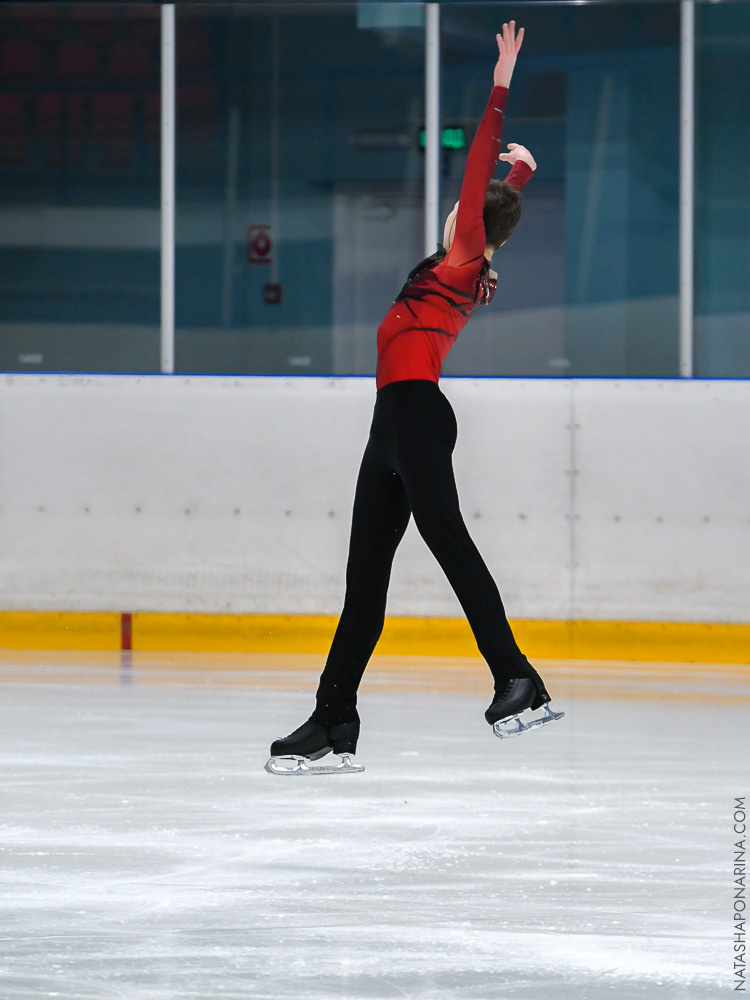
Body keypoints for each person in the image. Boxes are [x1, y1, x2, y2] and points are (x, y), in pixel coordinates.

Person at [267, 22, 563, 775]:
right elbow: (494, 206)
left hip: (416, 416)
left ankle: (515, 677)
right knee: (364, 580)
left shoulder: (463, 257)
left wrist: (500, 82)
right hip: (391, 427)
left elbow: (474, 187)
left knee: (450, 544)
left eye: (470, 212)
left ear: (472, 226)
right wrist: (522, 174)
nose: (457, 213)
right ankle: (333, 719)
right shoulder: (472, 256)